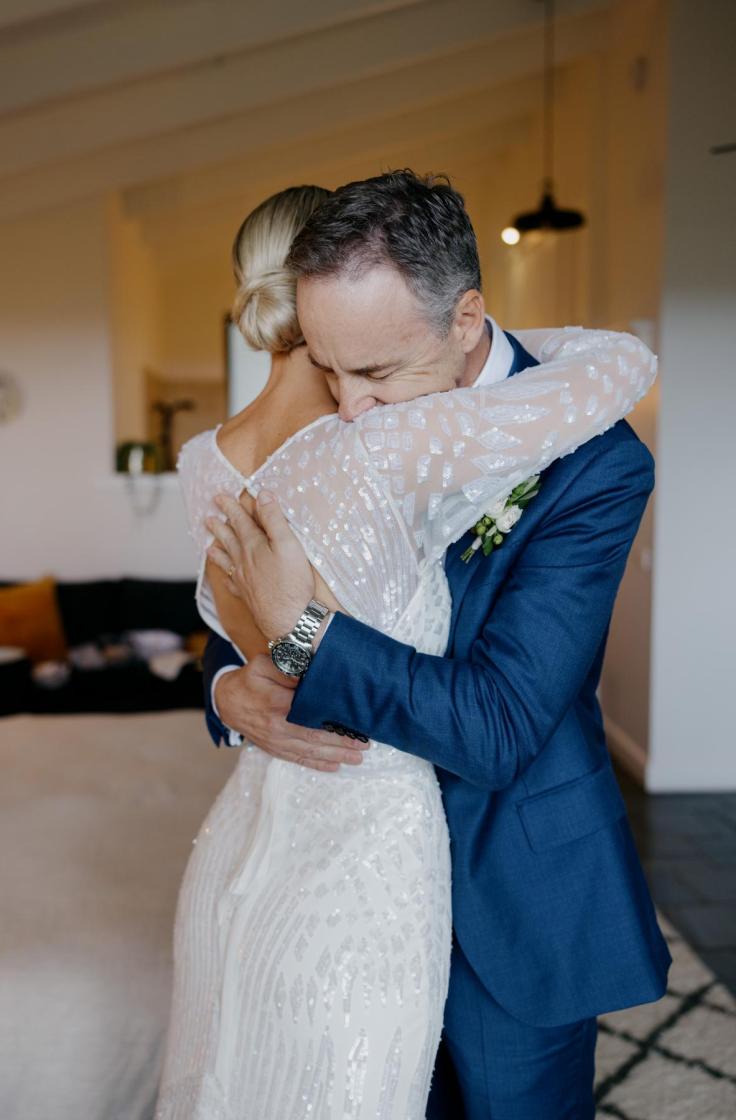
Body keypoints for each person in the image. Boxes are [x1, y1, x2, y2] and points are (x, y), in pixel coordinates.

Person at [155, 173, 665, 1120]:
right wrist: (227, 687)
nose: (348, 407)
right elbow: (236, 613)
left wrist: (304, 630)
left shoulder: (590, 456)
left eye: (378, 376)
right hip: (341, 894)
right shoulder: (348, 425)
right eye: (328, 367)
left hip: (506, 892)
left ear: (466, 317)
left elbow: (500, 724)